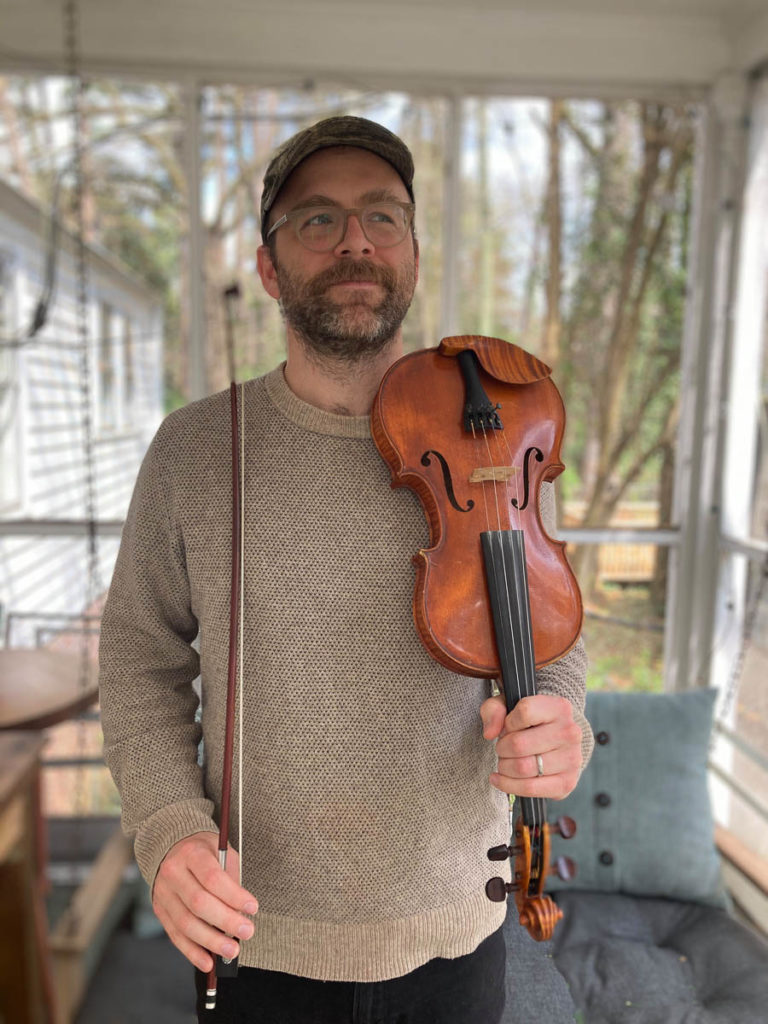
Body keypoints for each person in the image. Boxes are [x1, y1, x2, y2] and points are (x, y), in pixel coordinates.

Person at [99, 116, 593, 1024]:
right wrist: (170, 834)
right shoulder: (197, 450)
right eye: (317, 219)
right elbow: (138, 659)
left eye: (383, 216)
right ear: (268, 266)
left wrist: (562, 717)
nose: (356, 240)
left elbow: (552, 625)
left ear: (411, 250)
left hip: (458, 933)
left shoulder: (499, 437)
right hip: (256, 934)